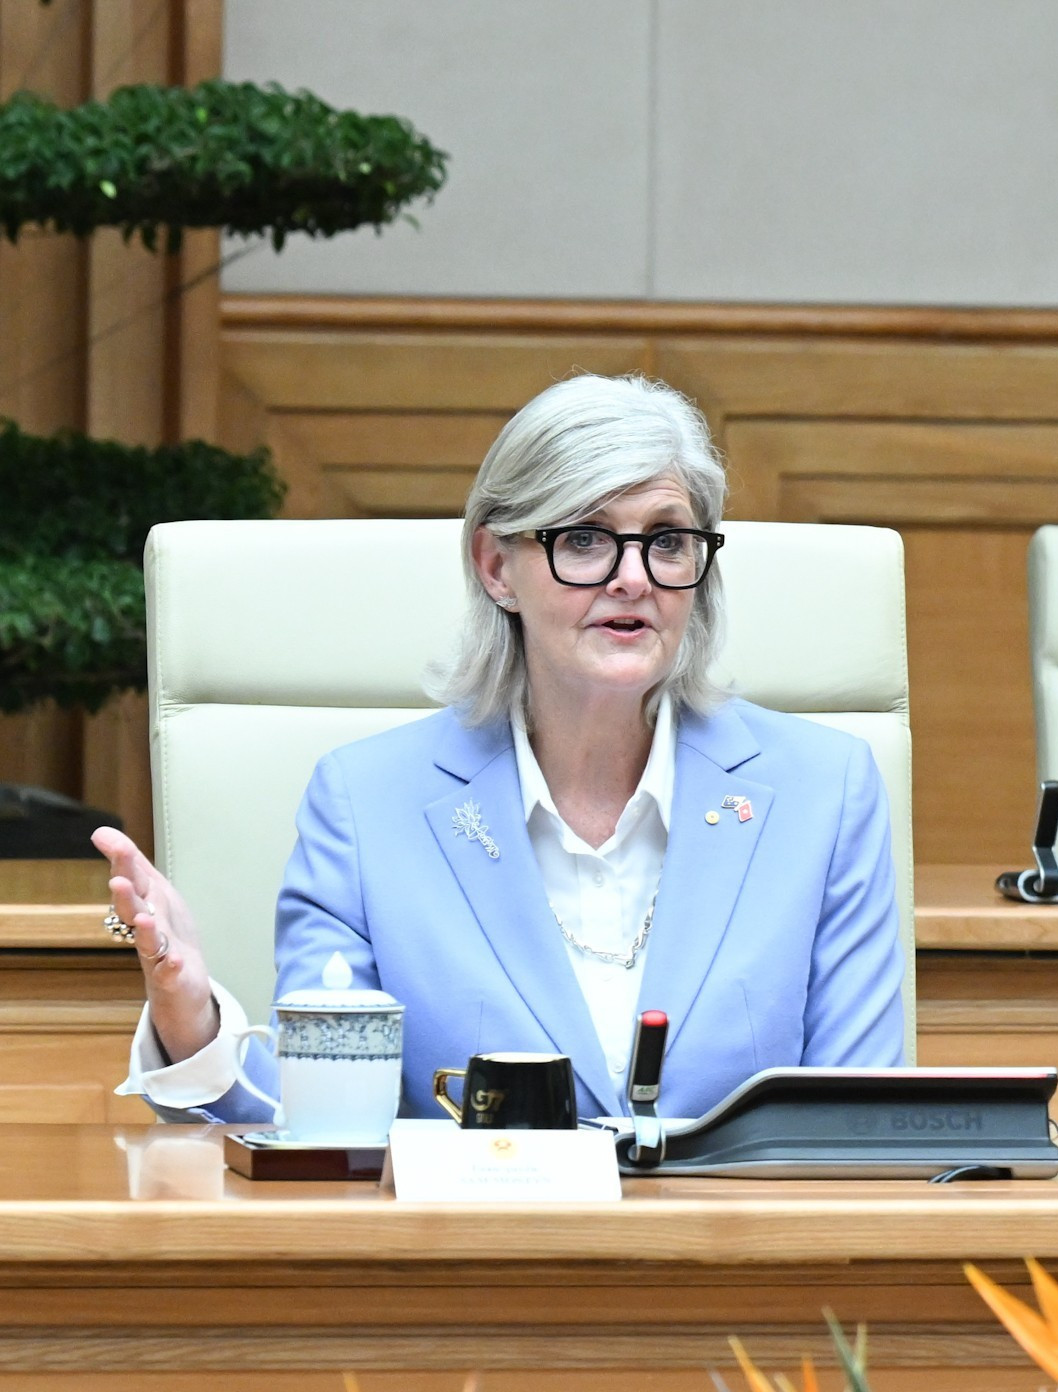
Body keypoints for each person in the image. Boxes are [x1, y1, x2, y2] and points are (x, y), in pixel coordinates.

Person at [94, 373, 906, 1124]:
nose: (634, 577)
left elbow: (864, 1126)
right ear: (496, 566)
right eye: (585, 538)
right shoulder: (366, 803)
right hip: (467, 1269)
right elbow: (319, 1117)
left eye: (666, 540)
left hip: (745, 1270)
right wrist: (192, 1020)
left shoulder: (822, 793)